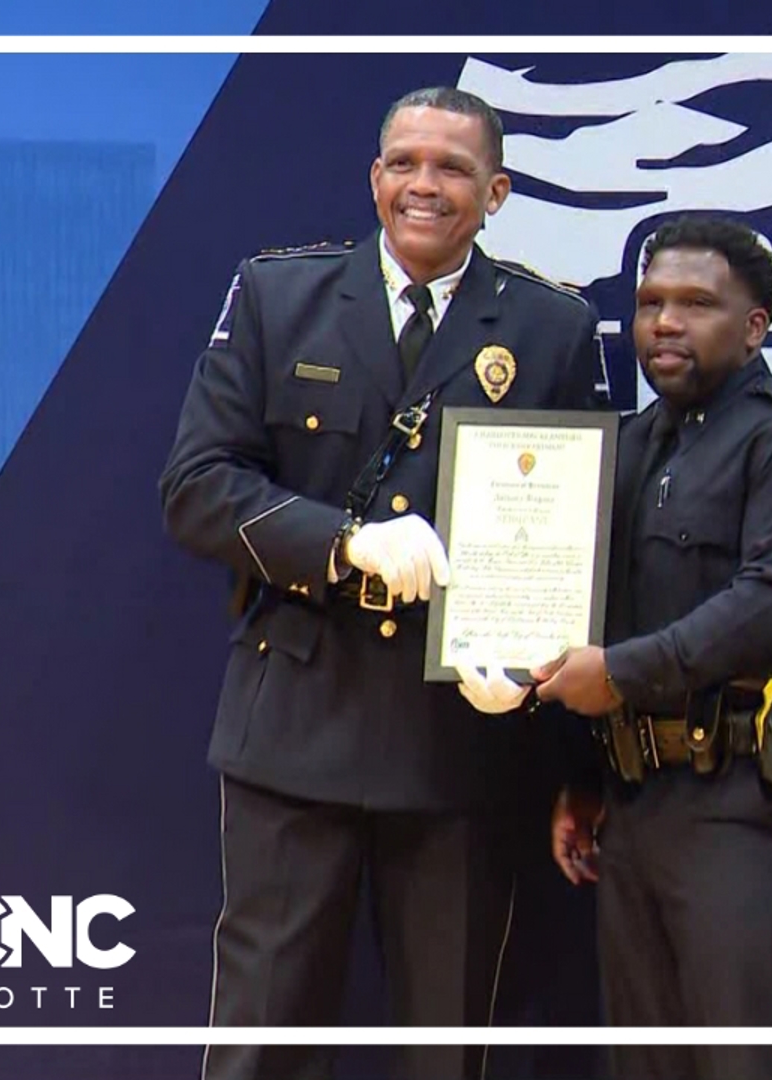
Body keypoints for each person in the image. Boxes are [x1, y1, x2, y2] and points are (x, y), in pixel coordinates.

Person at [157, 86, 609, 1080]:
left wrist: (533, 668)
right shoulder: (281, 297)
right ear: (373, 178)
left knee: (449, 1043)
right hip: (297, 725)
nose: (423, 184)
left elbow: (572, 538)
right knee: (263, 1036)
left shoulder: (551, 327)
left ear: (496, 192)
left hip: (462, 740)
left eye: (451, 168)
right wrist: (344, 542)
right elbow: (196, 489)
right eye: (403, 162)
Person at [532, 214, 772, 1080]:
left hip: (752, 810)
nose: (665, 323)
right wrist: (581, 774)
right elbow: (591, 610)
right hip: (638, 807)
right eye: (649, 303)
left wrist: (624, 675)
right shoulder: (628, 446)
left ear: (755, 327)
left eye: (695, 304)